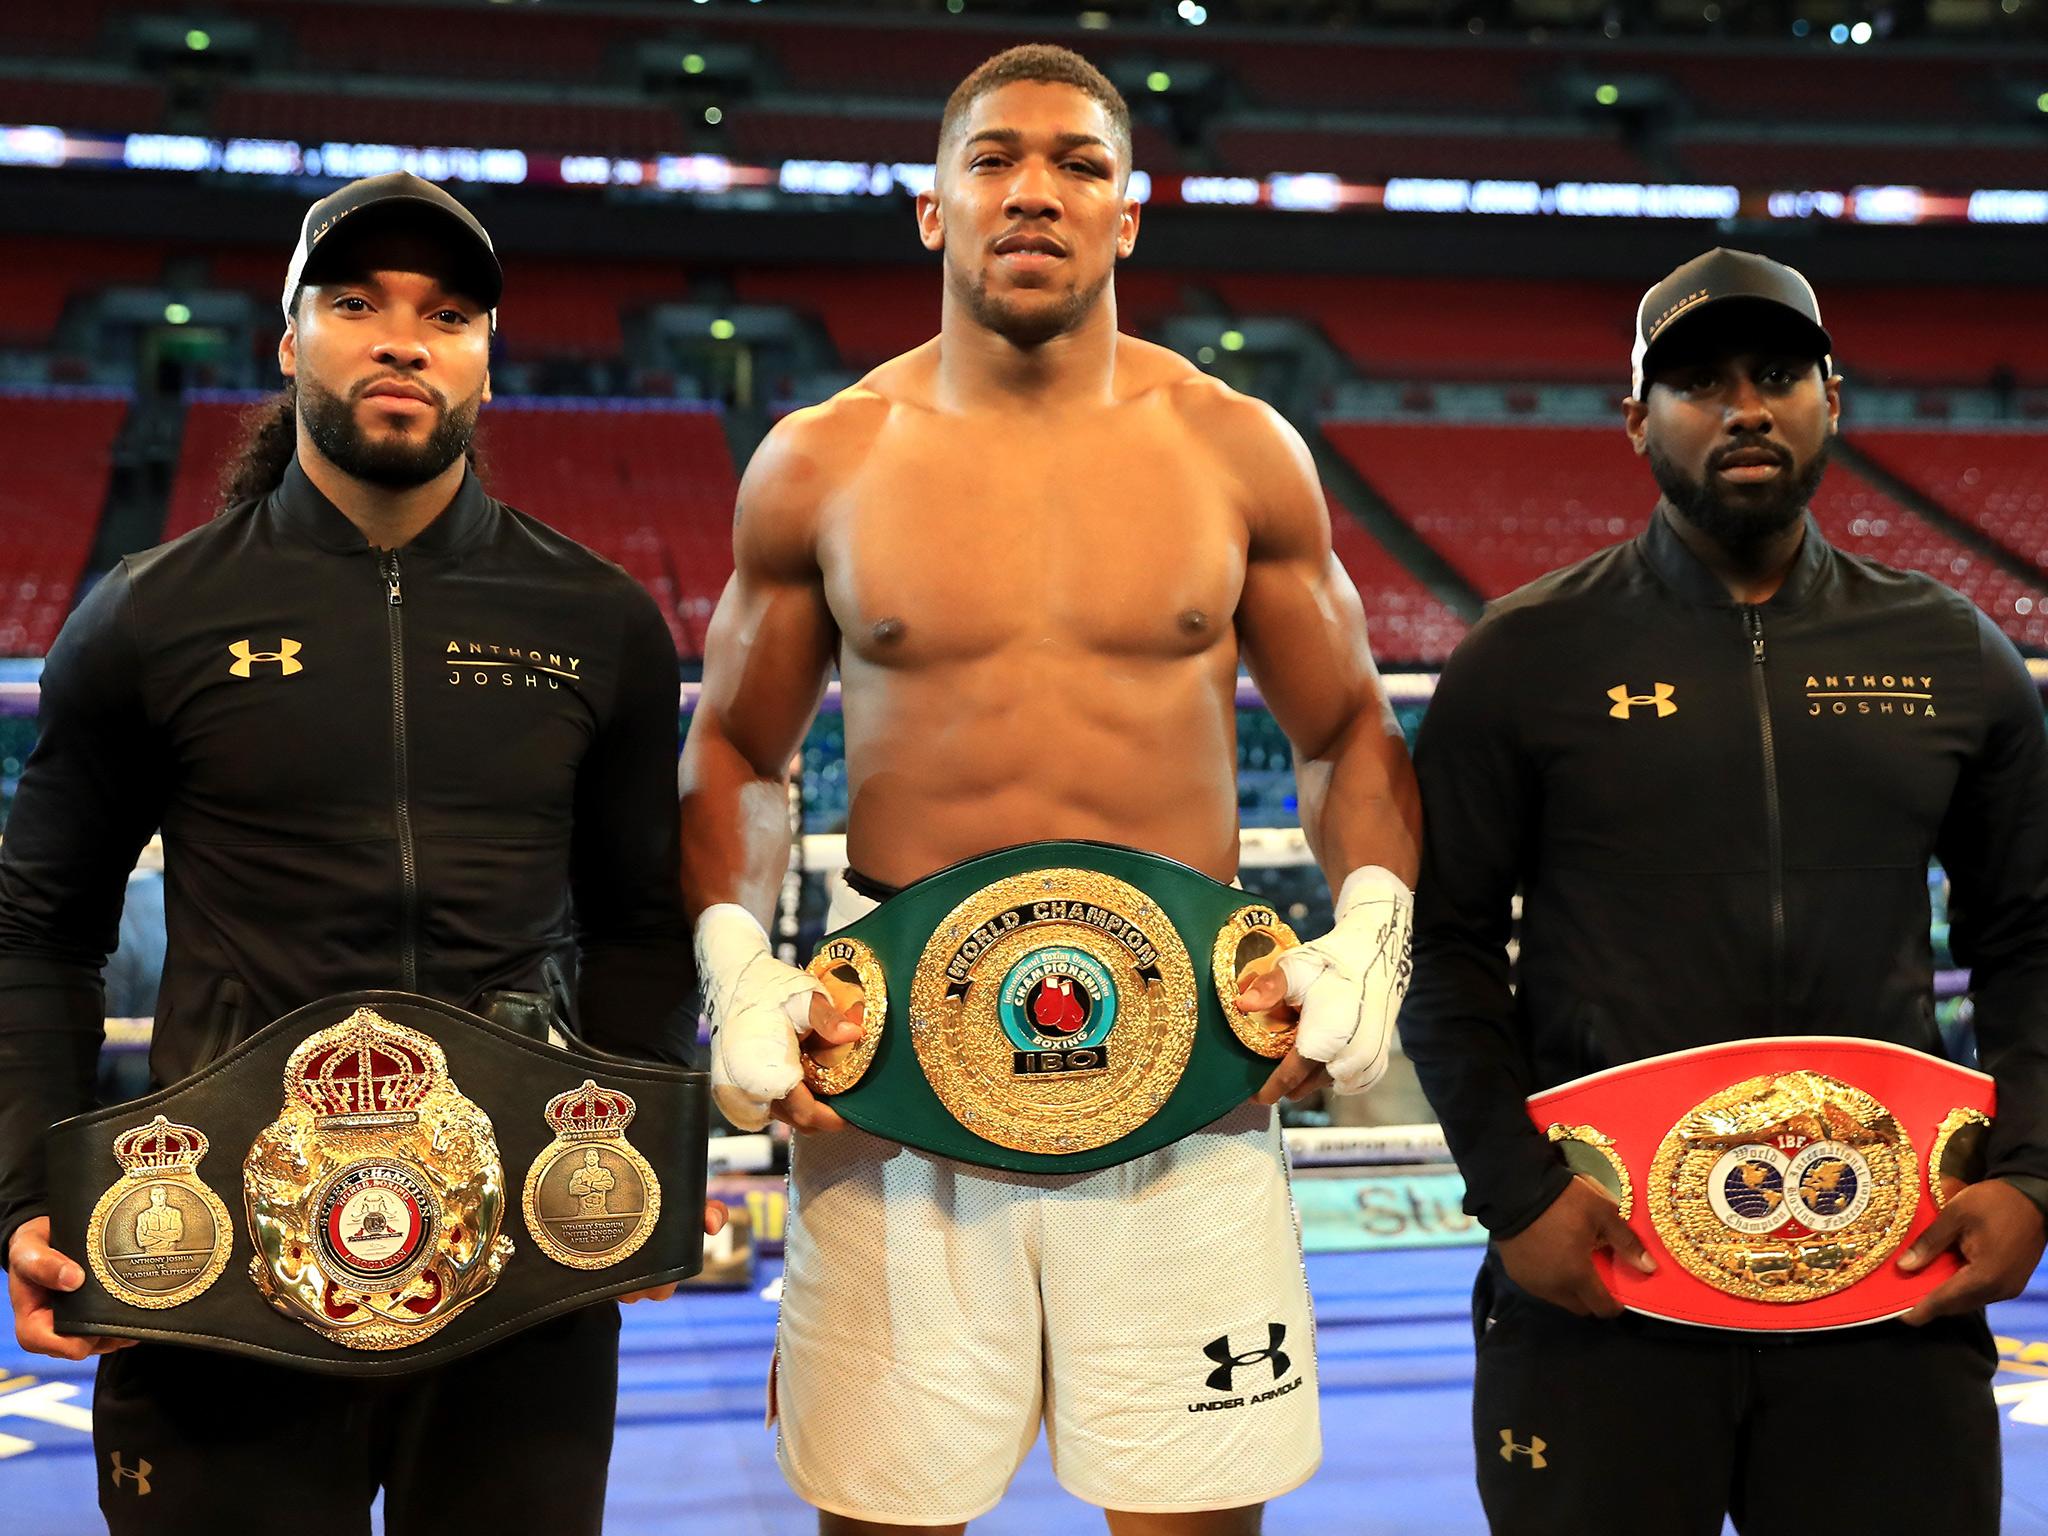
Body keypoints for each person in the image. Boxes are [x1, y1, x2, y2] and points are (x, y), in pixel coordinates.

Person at [680, 45, 1420, 1536]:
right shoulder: (821, 460)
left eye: (1080, 164)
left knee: (1193, 1513)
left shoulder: (1235, 450)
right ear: (933, 211)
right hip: (889, 1065)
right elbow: (737, 755)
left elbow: (1343, 731)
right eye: (995, 158)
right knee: (884, 1513)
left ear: (1129, 216)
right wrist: (737, 965)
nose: (1036, 190)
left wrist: (1372, 933)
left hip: (1198, 1067)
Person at [0, 171, 717, 1536]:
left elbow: (637, 924)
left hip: (517, 1259)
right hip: (213, 1233)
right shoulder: (151, 618)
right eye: (356, 303)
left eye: (446, 313)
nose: (402, 339)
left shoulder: (599, 620)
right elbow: (39, 929)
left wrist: (636, 1162)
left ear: (486, 361)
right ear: (288, 342)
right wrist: (26, 1192)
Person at [1400, 246, 2048, 1535]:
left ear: (1832, 397)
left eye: (1777, 372)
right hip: (1601, 1274)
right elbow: (1443, 947)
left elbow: (2032, 933)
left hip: (1888, 1275)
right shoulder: (1524, 655)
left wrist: (2033, 1173)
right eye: (1698, 380)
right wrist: (1515, 1197)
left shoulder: (1952, 651)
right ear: (1637, 420)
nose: (1744, 405)